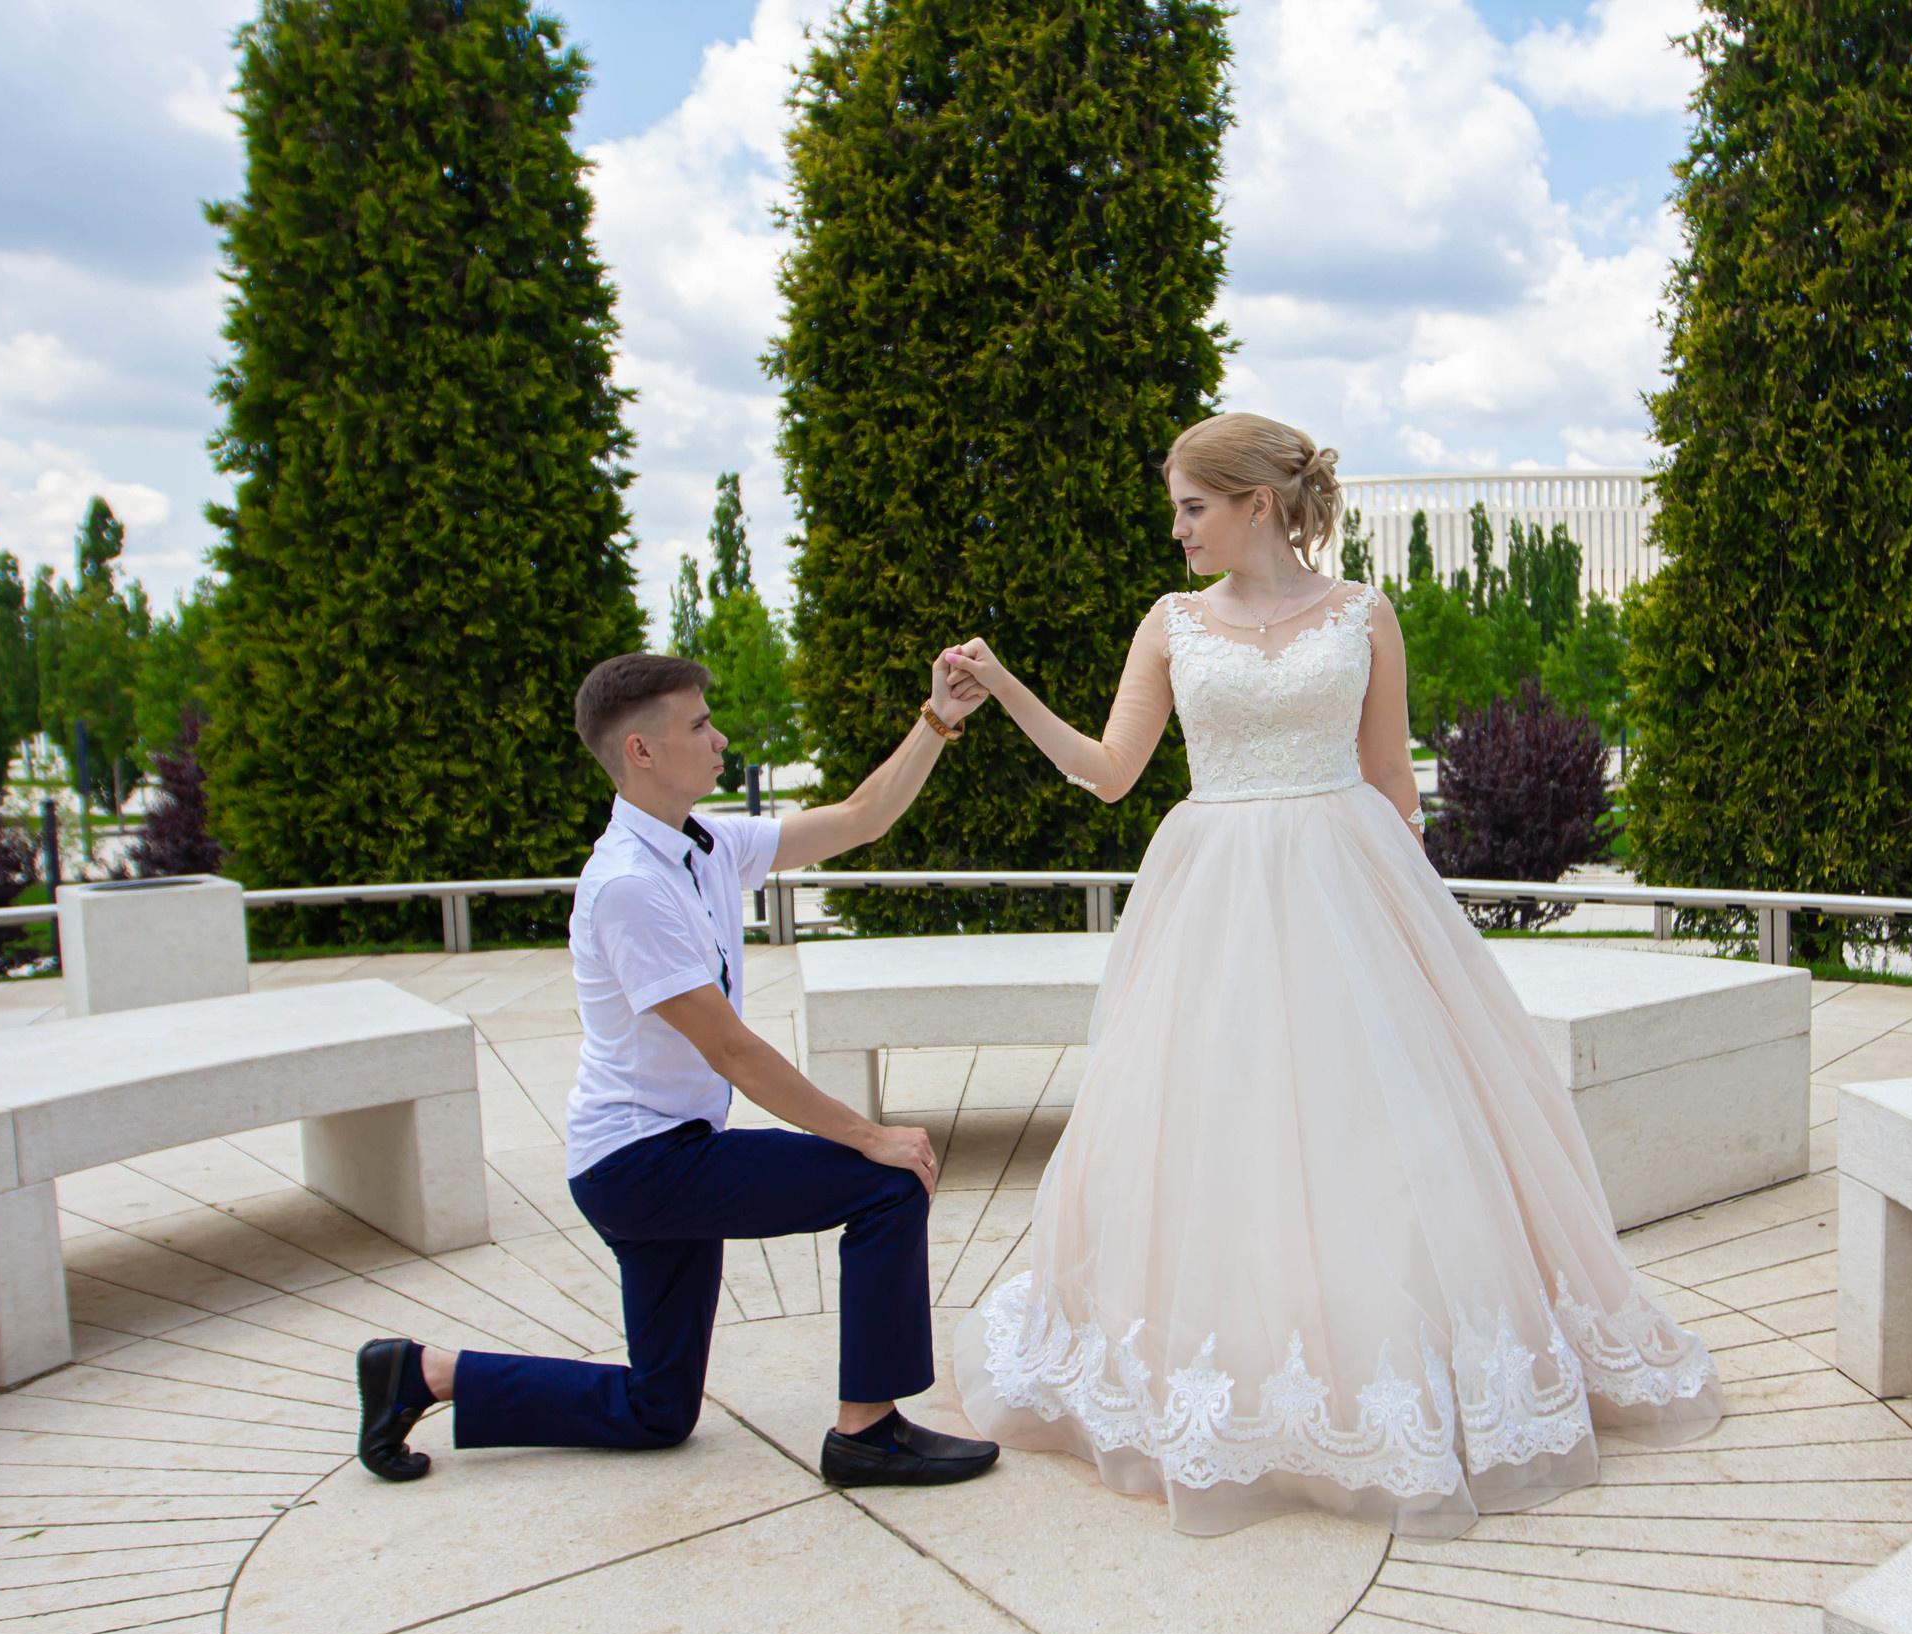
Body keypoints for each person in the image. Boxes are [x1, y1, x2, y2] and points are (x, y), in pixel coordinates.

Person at [938, 414, 1721, 1539]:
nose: (1178, 531)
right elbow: (1109, 773)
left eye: (1193, 508)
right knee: (1223, 1131)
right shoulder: (1169, 624)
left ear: (1256, 503)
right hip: (1215, 900)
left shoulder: (1365, 613)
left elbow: (1392, 778)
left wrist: (1416, 935)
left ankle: (1413, 1365)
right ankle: (1246, 1373)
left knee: (1380, 1135)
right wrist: (1004, 686)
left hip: (1353, 887)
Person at [355, 650, 1002, 1490]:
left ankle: (421, 1372)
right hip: (643, 1162)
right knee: (886, 1183)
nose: (720, 737)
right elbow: (729, 1048)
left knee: (658, 1408)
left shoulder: (704, 844)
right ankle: (868, 1433)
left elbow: (860, 817)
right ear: (642, 750)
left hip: (654, 1157)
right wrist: (867, 1134)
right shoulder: (627, 886)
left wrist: (938, 718)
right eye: (699, 724)